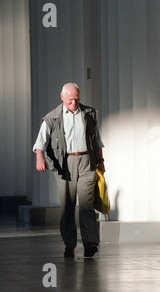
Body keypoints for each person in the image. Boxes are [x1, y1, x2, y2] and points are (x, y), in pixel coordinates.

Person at [33, 83, 105, 258]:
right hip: (64, 164)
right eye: (71, 99)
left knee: (87, 204)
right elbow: (40, 142)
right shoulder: (52, 118)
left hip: (87, 161)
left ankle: (90, 242)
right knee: (68, 206)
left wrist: (101, 161)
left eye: (77, 99)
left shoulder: (89, 114)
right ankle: (70, 244)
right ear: (62, 97)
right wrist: (40, 158)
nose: (74, 103)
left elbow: (97, 140)